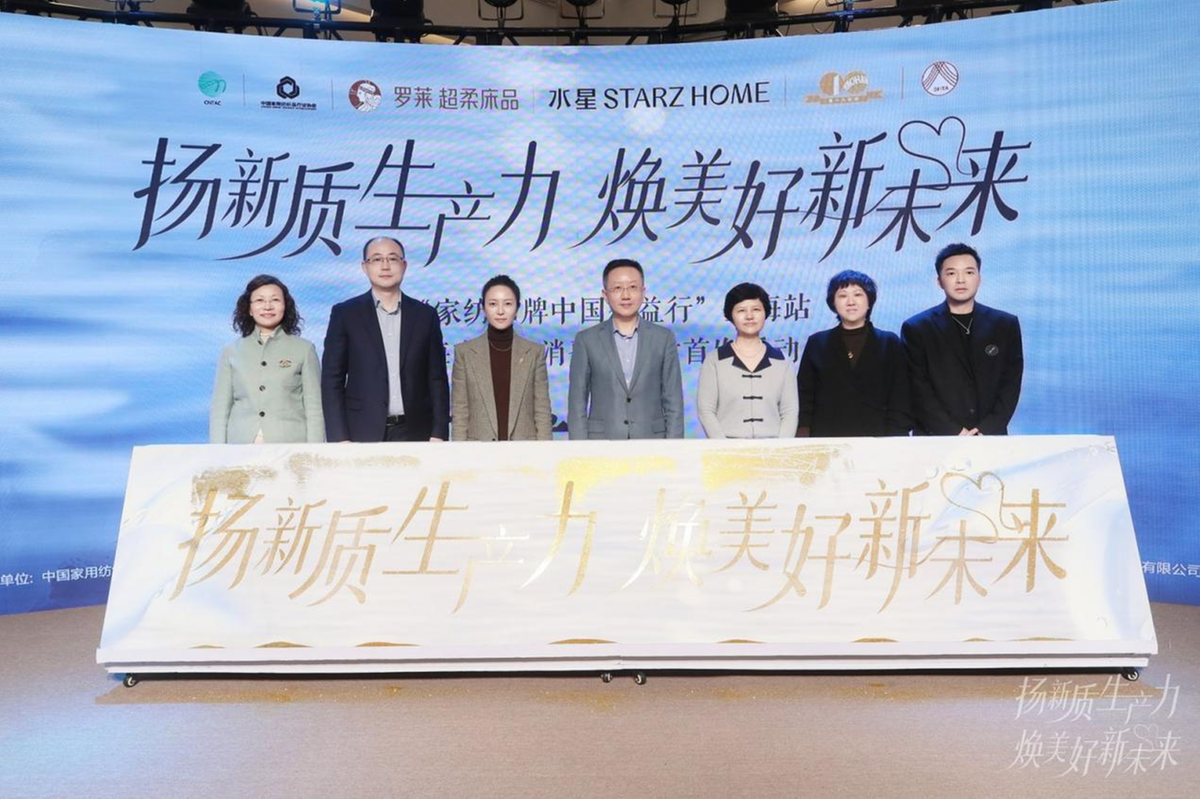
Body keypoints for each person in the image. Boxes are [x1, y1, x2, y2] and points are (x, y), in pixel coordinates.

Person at [321, 237, 450, 442]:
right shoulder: (345, 314)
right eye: (376, 259)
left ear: (404, 265)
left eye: (392, 258)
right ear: (364, 267)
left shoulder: (425, 316)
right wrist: (339, 437)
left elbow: (437, 379)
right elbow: (332, 379)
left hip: (416, 430)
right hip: (360, 430)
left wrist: (439, 432)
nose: (385, 266)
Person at [901, 243, 1023, 436]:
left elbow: (1011, 383)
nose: (960, 280)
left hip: (989, 436)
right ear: (939, 281)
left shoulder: (1005, 324)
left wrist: (987, 428)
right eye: (951, 273)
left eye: (969, 272)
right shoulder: (917, 328)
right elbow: (918, 388)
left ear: (979, 279)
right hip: (935, 437)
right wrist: (954, 431)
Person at [568, 258, 684, 440]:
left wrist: (674, 447)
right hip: (602, 442)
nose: (626, 295)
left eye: (632, 287)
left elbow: (673, 401)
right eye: (617, 288)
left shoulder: (663, 338)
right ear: (605, 295)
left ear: (643, 292)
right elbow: (577, 403)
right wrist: (579, 449)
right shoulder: (586, 340)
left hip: (653, 442)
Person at [209, 274, 325, 444]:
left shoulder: (304, 349)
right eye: (260, 300)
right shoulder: (231, 351)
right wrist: (217, 451)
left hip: (290, 445)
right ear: (249, 309)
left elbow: (314, 408)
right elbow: (220, 409)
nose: (268, 306)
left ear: (285, 306)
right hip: (240, 446)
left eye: (275, 300)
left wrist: (314, 451)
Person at [797, 270, 911, 437]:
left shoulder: (889, 342)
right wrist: (804, 434)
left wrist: (895, 436)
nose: (851, 302)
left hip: (879, 437)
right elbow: (805, 394)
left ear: (869, 301)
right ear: (833, 303)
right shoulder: (817, 342)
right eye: (843, 296)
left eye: (858, 294)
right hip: (827, 436)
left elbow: (901, 395)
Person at [451, 275, 552, 442]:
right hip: (478, 450)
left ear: (517, 308)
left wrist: (544, 451)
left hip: (525, 450)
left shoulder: (534, 353)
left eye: (507, 304)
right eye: (493, 304)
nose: (500, 311)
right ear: (483, 308)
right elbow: (460, 412)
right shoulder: (465, 353)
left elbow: (542, 411)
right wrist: (460, 452)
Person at [697, 283, 798, 439]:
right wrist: (723, 446)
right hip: (727, 448)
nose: (749, 316)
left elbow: (790, 411)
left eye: (756, 309)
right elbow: (706, 410)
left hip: (772, 448)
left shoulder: (782, 361)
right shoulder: (715, 360)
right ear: (731, 316)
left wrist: (781, 447)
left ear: (765, 313)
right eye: (741, 310)